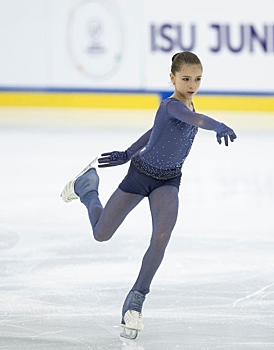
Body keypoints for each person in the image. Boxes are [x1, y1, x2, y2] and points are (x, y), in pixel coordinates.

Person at [60, 51, 237, 339]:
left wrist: (127, 151)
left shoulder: (187, 104)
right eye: (186, 79)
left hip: (169, 180)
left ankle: (136, 300)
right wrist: (219, 125)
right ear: (172, 78)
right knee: (101, 234)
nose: (192, 84)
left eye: (197, 79)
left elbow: (156, 131)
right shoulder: (173, 106)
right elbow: (197, 119)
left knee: (163, 236)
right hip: (140, 175)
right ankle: (88, 189)